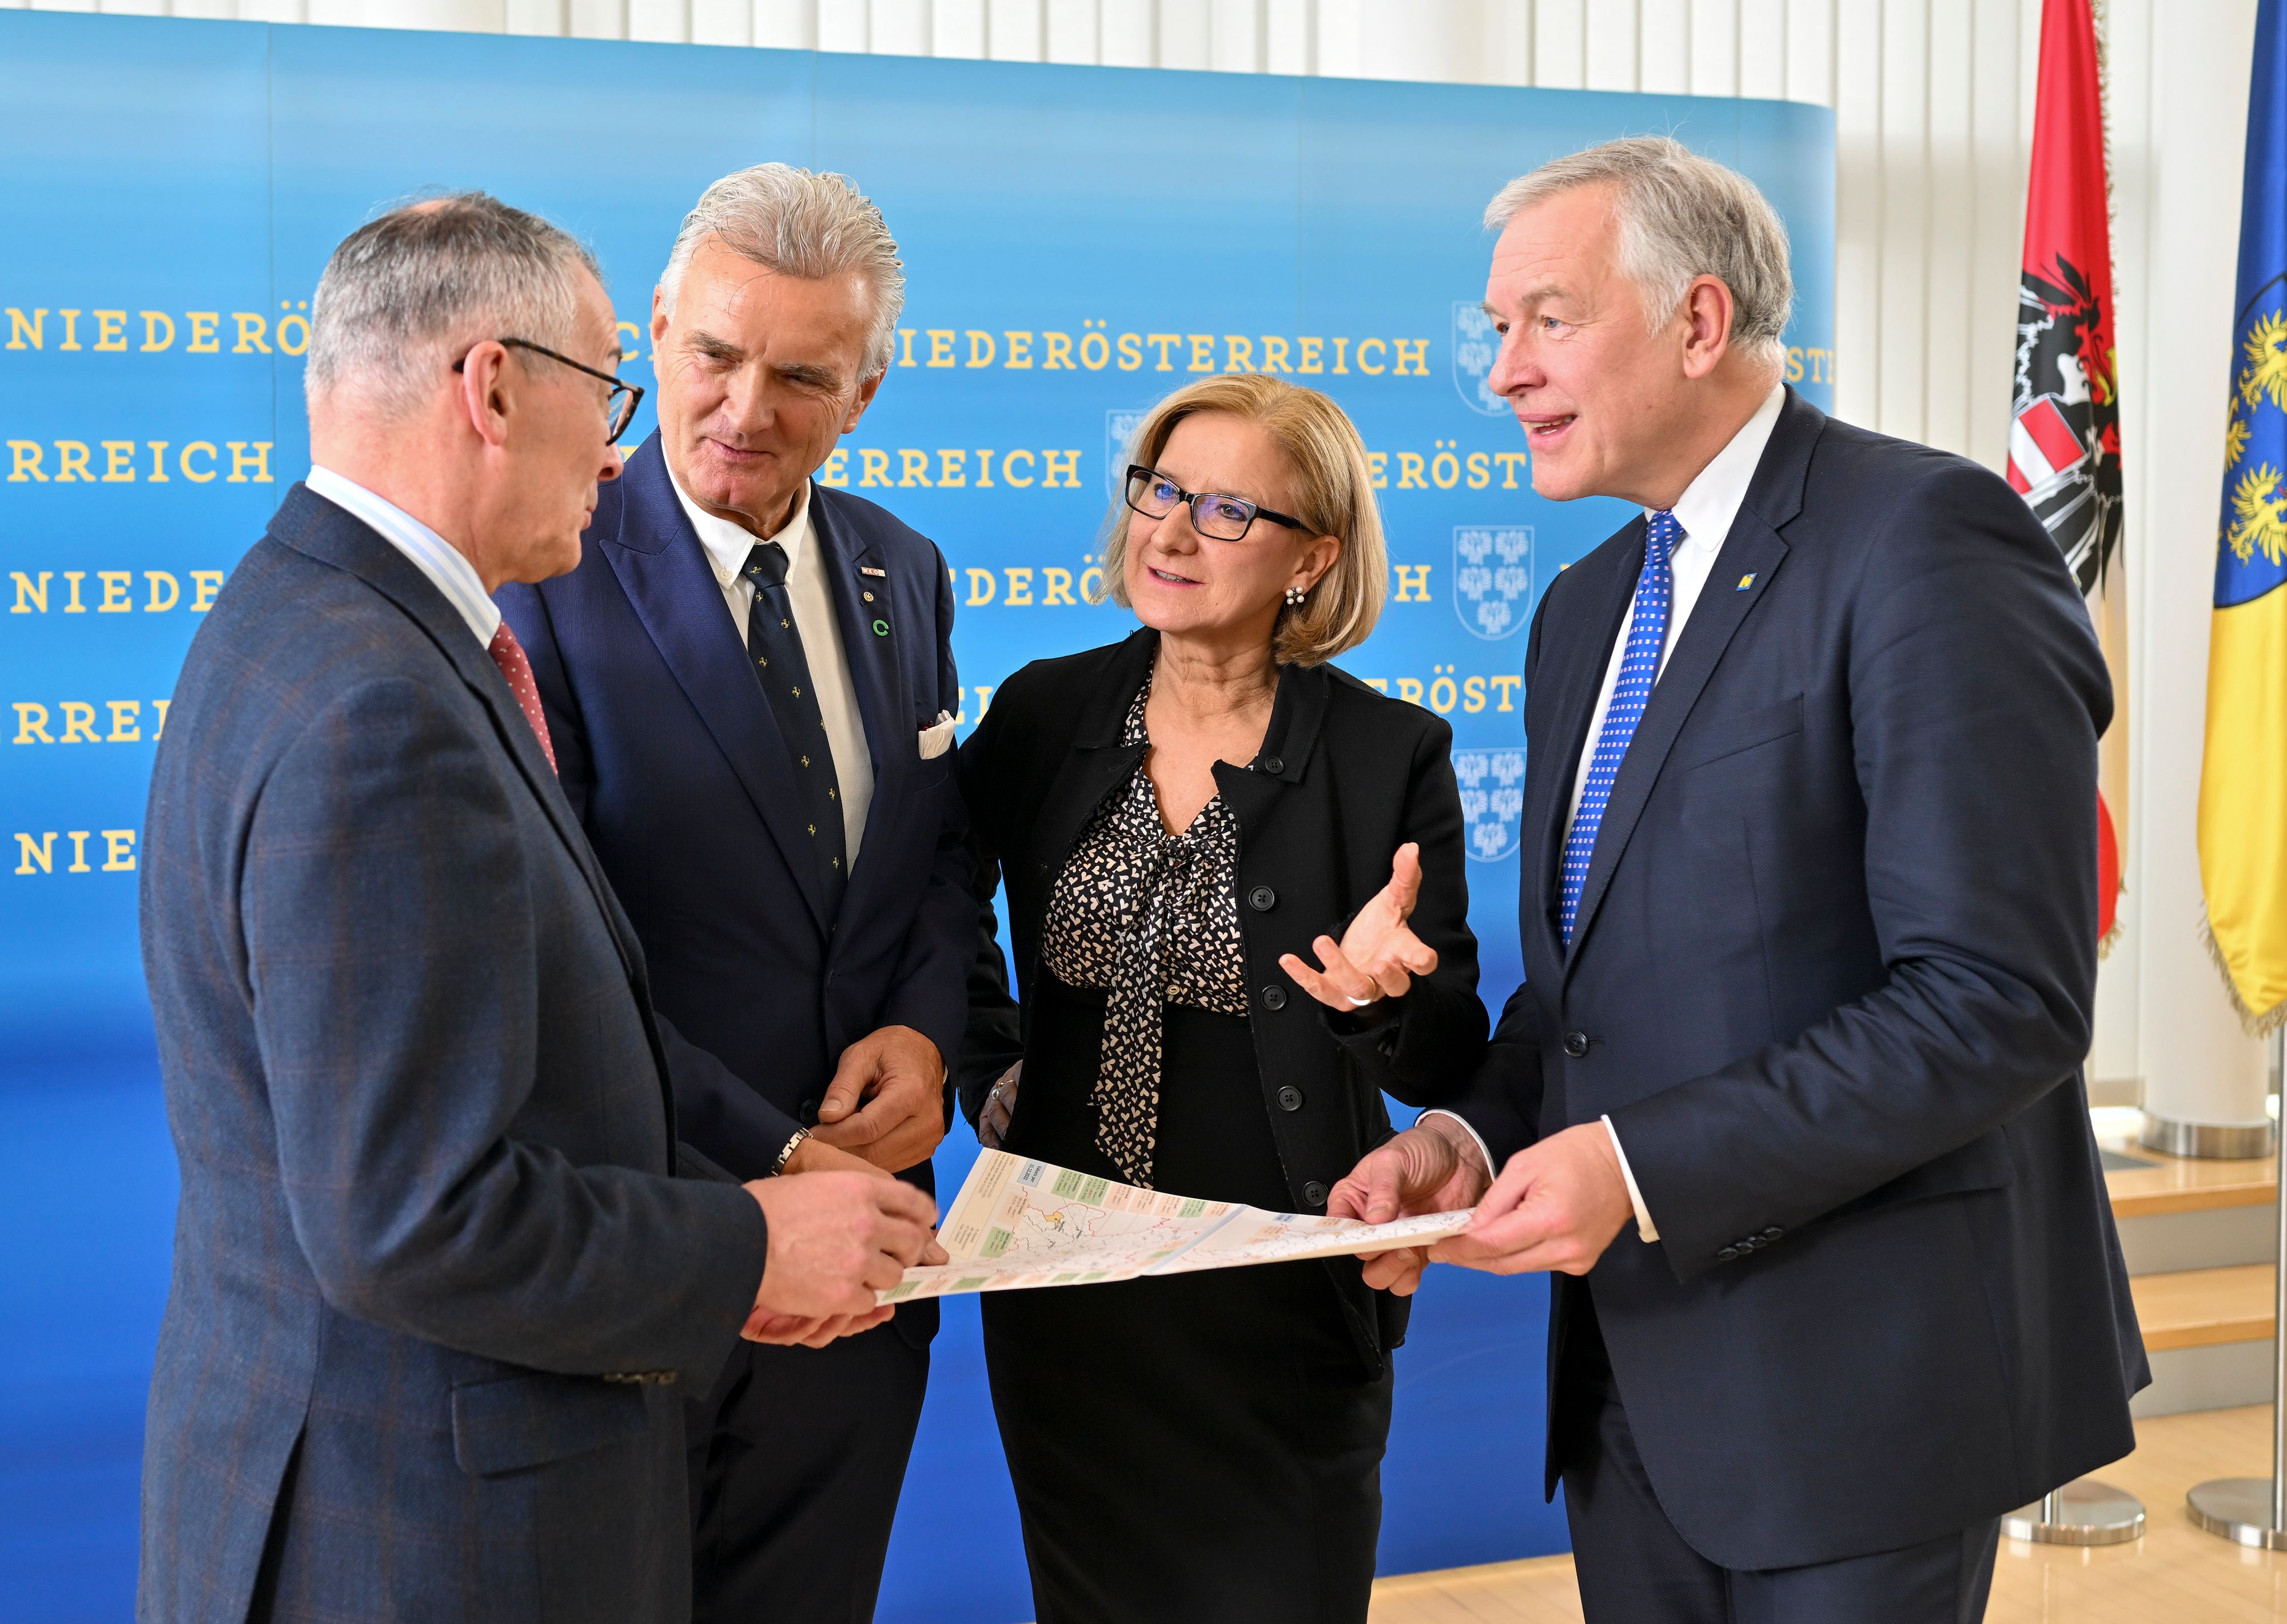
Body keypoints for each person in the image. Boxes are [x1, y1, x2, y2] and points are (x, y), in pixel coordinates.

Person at [1332, 137, 2146, 1623]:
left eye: (1547, 321)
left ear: (1699, 323)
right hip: (1633, 1399)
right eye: (1496, 329)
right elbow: (1597, 1003)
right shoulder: (1584, 611)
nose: (1504, 371)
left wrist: (1634, 1170)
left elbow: (1999, 999)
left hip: (1863, 1399)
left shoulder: (1925, 541)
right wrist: (1467, 1131)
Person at [136, 195, 941, 1624]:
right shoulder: (383, 705)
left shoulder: (305, 617)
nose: (620, 441)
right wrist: (753, 1240)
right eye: (611, 383)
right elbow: (412, 1219)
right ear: (495, 386)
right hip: (421, 1515)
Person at [495, 164, 971, 1624]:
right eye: (712, 352)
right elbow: (549, 952)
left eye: (801, 374)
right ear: (650, 332)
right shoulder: (538, 574)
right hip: (652, 1252)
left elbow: (937, 857)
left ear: (867, 390)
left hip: (867, 1279)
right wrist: (769, 1154)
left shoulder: (907, 569)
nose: (743, 406)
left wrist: (930, 1033)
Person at [957, 373, 1488, 1624]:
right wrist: (986, 1062)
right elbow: (928, 903)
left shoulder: (1384, 754)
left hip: (1279, 1304)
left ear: (1314, 555)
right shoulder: (1044, 709)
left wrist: (1374, 1001)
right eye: (1160, 490)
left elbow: (1447, 1048)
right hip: (1065, 1295)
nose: (1172, 531)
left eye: (1229, 510)